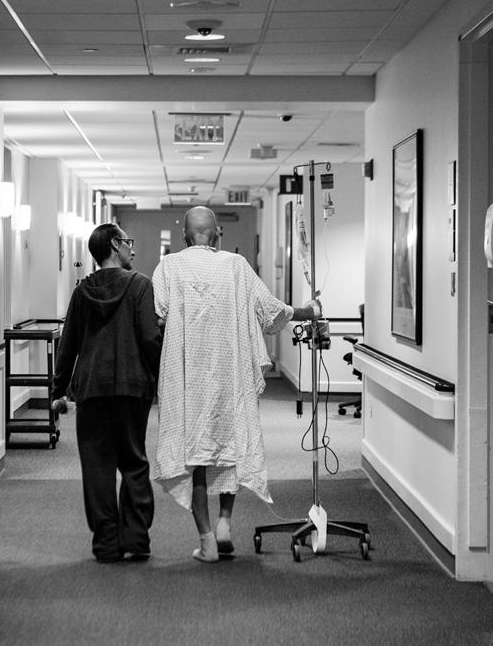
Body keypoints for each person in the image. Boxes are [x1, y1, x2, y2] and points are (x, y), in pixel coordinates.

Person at [152, 206, 321, 562]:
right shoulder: (236, 266)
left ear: (184, 236)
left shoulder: (169, 267)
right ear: (217, 235)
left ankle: (207, 538)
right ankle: (226, 521)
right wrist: (309, 312)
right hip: (230, 373)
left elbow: (156, 316)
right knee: (229, 443)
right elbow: (271, 309)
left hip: (188, 377)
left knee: (194, 454)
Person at [52, 223, 162, 563]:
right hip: (132, 387)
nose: (132, 248)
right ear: (115, 245)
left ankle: (106, 543)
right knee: (134, 461)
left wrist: (57, 389)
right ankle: (137, 538)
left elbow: (68, 343)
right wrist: (163, 378)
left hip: (92, 389)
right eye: (128, 242)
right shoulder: (141, 285)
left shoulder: (82, 291)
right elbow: (149, 338)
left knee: (97, 466)